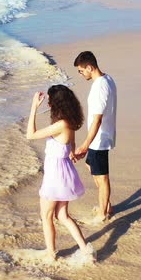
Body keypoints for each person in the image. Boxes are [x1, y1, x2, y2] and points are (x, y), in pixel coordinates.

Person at [26, 84, 95, 261]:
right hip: (63, 172)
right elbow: (71, 143)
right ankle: (85, 249)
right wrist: (71, 152)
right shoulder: (69, 122)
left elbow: (30, 135)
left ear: (56, 103)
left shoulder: (61, 124)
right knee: (62, 215)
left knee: (46, 215)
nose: (47, 103)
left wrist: (33, 107)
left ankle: (51, 253)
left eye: (49, 100)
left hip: (55, 176)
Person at [73, 51, 117, 223]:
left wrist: (85, 145)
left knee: (102, 177)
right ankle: (106, 204)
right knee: (90, 166)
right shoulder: (108, 79)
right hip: (98, 137)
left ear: (89, 67)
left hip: (99, 139)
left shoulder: (100, 87)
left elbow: (97, 120)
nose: (81, 74)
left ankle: (103, 213)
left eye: (81, 71)